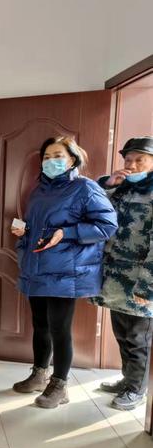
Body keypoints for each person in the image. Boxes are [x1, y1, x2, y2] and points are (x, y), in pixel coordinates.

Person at [11, 136, 117, 409]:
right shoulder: (38, 190)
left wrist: (66, 233)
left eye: (57, 155)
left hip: (65, 271)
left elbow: (107, 225)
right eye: (46, 157)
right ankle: (39, 374)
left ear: (72, 159)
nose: (51, 161)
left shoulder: (85, 188)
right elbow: (37, 226)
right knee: (40, 325)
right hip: (37, 267)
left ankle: (60, 385)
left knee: (59, 328)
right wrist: (24, 232)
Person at [92, 136, 153, 410]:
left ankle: (138, 389)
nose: (133, 165)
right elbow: (93, 208)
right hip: (115, 278)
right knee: (122, 334)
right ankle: (128, 379)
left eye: (140, 159)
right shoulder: (121, 187)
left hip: (140, 280)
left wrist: (147, 288)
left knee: (139, 339)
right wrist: (109, 185)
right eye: (128, 159)